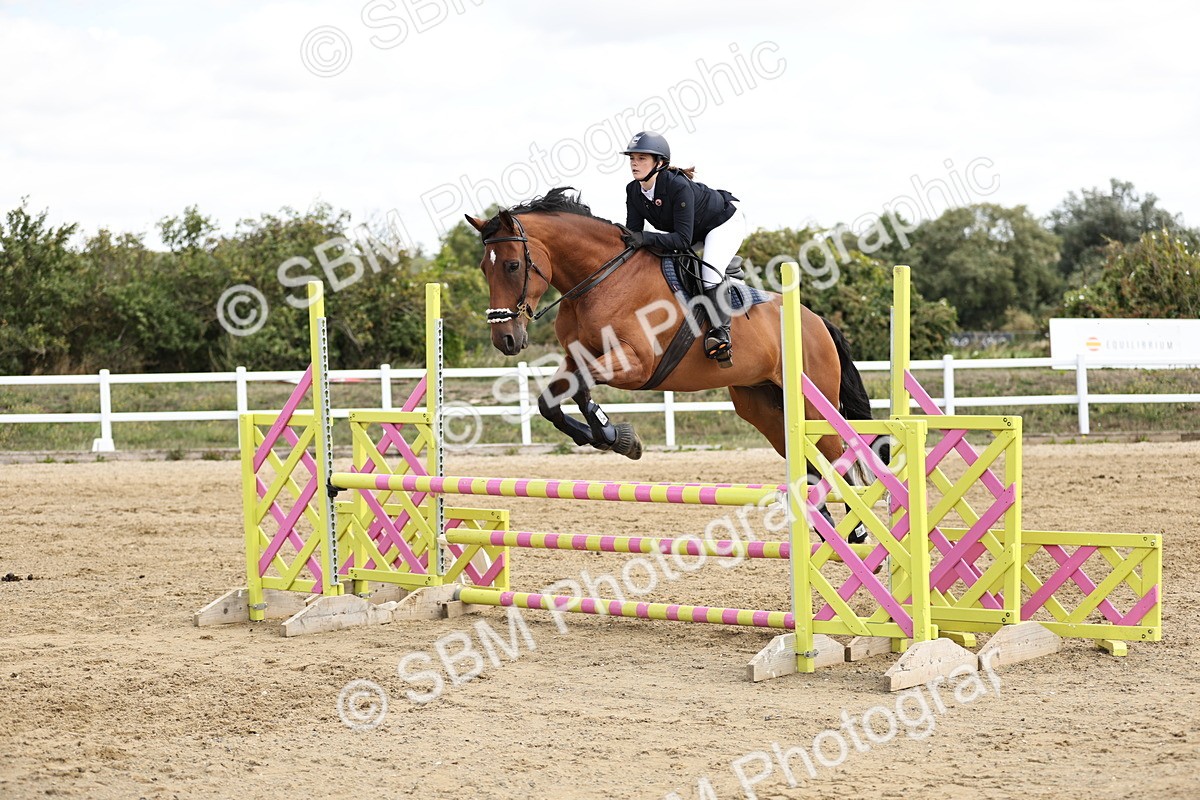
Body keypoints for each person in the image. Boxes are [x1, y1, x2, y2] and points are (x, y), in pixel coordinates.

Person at [619, 131, 747, 362]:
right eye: (632, 159)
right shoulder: (633, 190)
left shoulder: (677, 186)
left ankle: (721, 333)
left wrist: (646, 238)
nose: (634, 164)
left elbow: (682, 241)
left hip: (723, 223)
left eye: (641, 159)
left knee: (708, 273)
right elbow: (634, 235)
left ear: (659, 163)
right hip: (693, 231)